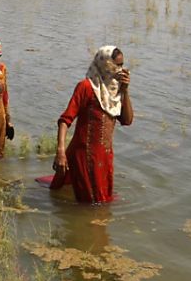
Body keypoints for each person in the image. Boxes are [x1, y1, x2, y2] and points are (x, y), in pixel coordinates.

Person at [51, 46, 133, 204]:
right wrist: (61, 151)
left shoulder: (115, 91)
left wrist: (126, 91)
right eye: (117, 65)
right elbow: (65, 120)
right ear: (105, 64)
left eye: (122, 65)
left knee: (102, 202)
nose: (121, 70)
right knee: (91, 207)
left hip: (105, 157)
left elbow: (127, 120)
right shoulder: (86, 87)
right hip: (85, 155)